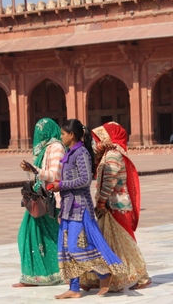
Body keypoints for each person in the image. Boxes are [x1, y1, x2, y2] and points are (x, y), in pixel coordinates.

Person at [51, 119, 129, 299]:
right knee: (65, 248)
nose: (61, 136)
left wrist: (61, 185)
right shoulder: (70, 152)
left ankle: (104, 273)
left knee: (75, 247)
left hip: (80, 207)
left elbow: (85, 180)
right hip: (68, 207)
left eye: (63, 133)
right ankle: (74, 288)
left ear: (71, 135)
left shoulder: (82, 153)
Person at [81, 121, 151, 292]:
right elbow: (94, 159)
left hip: (116, 205)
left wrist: (101, 202)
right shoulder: (109, 152)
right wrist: (99, 147)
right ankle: (103, 277)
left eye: (103, 136)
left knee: (123, 243)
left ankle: (141, 276)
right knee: (109, 243)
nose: (99, 140)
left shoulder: (113, 155)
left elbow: (109, 182)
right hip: (113, 206)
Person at [13, 118, 65, 287]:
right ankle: (37, 274)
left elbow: (54, 175)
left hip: (49, 201)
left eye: (41, 130)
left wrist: (34, 169)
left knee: (44, 237)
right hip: (41, 198)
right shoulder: (46, 149)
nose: (38, 134)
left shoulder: (56, 148)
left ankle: (47, 274)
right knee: (27, 235)